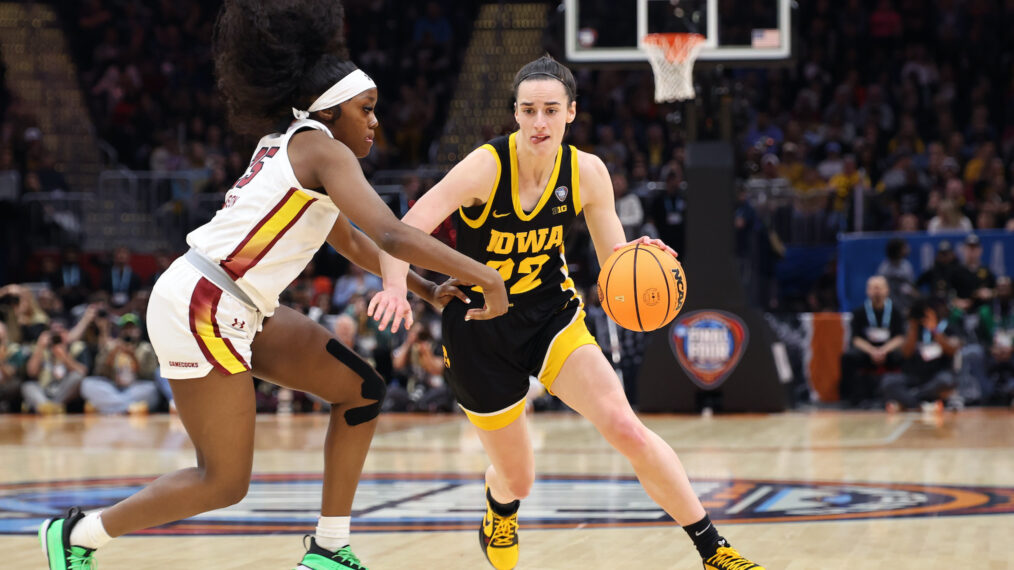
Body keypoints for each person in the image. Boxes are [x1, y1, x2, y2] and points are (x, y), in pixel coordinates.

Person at [37, 2, 508, 569]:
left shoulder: (296, 145)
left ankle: (330, 549)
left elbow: (356, 241)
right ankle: (79, 534)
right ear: (331, 112)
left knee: (361, 390)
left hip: (234, 301)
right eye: (367, 109)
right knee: (224, 481)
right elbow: (389, 231)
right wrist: (484, 274)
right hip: (204, 302)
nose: (375, 121)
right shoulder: (321, 150)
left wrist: (429, 291)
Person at [369, 55, 763, 570]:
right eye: (528, 110)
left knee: (625, 426)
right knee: (519, 478)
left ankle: (714, 551)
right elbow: (404, 230)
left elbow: (614, 270)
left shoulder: (587, 173)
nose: (539, 122)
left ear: (571, 113)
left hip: (550, 314)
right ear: (514, 113)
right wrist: (397, 288)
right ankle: (500, 504)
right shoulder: (486, 167)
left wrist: (635, 270)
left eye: (550, 110)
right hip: (478, 329)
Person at [839, 276, 905, 407]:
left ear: (887, 290)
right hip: (867, 351)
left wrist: (884, 350)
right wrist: (873, 351)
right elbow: (856, 338)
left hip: (889, 350)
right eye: (873, 288)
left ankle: (903, 394)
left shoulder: (896, 311)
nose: (876, 291)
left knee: (906, 356)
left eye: (879, 287)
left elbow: (900, 337)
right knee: (848, 358)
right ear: (867, 291)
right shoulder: (859, 312)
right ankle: (852, 399)